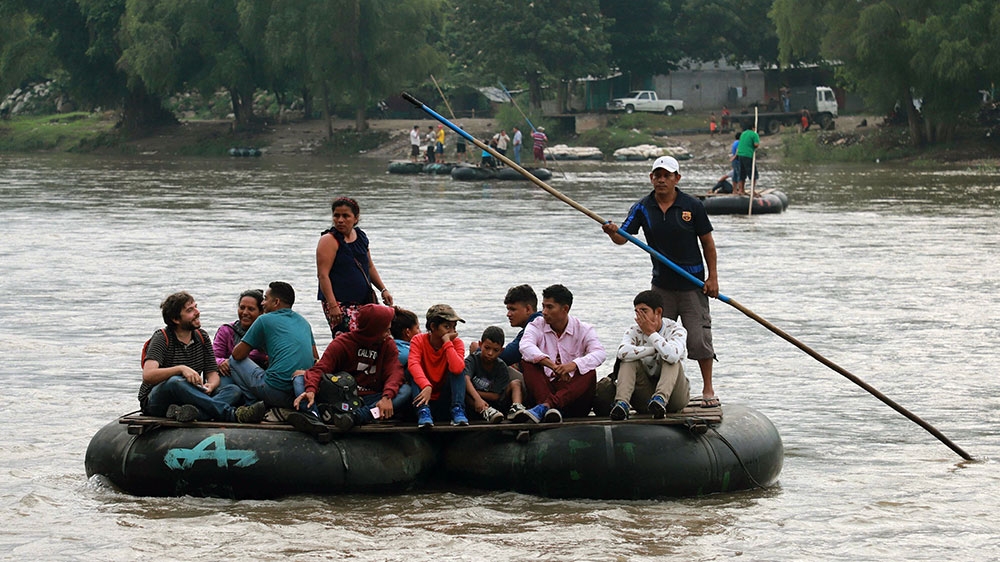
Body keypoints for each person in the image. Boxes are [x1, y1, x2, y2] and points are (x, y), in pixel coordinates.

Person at [602, 155, 720, 408]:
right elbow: (624, 237)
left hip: (693, 284)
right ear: (651, 178)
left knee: (697, 338)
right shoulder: (643, 207)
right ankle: (658, 390)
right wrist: (613, 233)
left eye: (667, 175)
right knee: (654, 335)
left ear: (677, 178)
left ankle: (708, 389)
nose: (662, 180)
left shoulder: (692, 206)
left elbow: (708, 243)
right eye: (657, 175)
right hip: (662, 286)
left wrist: (713, 278)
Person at [139, 291, 265, 424]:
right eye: (190, 310)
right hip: (157, 400)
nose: (197, 312)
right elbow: (148, 375)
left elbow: (212, 373)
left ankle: (191, 413)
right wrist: (180, 369)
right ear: (176, 319)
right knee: (175, 381)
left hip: (189, 398)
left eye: (195, 307)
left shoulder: (202, 336)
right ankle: (232, 415)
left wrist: (211, 385)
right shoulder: (162, 338)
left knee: (233, 390)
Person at [294, 304, 411, 432]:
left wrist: (387, 397)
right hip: (341, 396)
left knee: (404, 391)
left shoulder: (387, 345)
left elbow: (395, 372)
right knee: (299, 378)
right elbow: (321, 369)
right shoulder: (342, 343)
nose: (388, 334)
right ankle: (314, 417)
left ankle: (358, 416)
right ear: (373, 329)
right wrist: (311, 390)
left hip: (369, 399)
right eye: (385, 330)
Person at [515, 284, 606, 423]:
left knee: (589, 371)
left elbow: (599, 353)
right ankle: (547, 406)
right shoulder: (536, 324)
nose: (544, 312)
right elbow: (525, 346)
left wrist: (573, 365)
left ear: (565, 309)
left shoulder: (583, 329)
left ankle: (547, 406)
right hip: (544, 392)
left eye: (550, 307)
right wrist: (552, 365)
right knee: (528, 362)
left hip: (573, 399)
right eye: (543, 306)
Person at [229, 281, 319, 411]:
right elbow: (315, 357)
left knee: (233, 360)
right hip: (301, 391)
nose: (262, 303)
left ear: (276, 302)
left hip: (275, 392)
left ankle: (252, 405)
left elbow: (237, 355)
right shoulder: (304, 322)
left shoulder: (264, 319)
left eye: (265, 299)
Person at [606, 290, 690, 420]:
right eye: (637, 312)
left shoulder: (676, 329)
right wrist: (653, 349)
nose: (640, 316)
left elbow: (673, 355)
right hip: (645, 397)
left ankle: (660, 399)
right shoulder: (634, 330)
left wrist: (651, 334)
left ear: (658, 312)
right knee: (628, 360)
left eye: (644, 311)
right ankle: (622, 403)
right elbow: (621, 353)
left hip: (674, 395)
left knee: (670, 358)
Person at [316, 197, 393, 337]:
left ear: (355, 218)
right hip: (340, 302)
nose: (340, 220)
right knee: (349, 341)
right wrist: (333, 305)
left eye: (345, 216)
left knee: (373, 338)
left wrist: (383, 289)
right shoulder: (329, 240)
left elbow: (369, 266)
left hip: (364, 301)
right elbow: (323, 275)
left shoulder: (361, 237)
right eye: (336, 215)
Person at [408, 304, 468, 428]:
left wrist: (447, 342)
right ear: (433, 327)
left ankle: (458, 409)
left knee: (459, 368)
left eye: (454, 327)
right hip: (424, 395)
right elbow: (413, 364)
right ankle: (423, 411)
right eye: (447, 327)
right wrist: (426, 385)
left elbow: (457, 369)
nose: (452, 332)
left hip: (444, 396)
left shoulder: (456, 343)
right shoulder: (418, 340)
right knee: (413, 373)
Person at [463, 326, 524, 423]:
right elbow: (465, 379)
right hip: (474, 402)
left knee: (516, 383)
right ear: (480, 344)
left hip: (496, 404)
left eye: (495, 350)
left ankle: (516, 409)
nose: (490, 353)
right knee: (464, 392)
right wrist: (477, 398)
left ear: (501, 351)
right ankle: (485, 411)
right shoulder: (472, 360)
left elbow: (496, 396)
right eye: (487, 348)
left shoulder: (501, 367)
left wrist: (475, 393)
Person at [214, 289, 268, 376]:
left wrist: (233, 362)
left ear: (261, 312)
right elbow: (214, 357)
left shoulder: (267, 333)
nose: (245, 313)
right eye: (242, 308)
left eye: (251, 309)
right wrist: (222, 362)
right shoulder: (226, 330)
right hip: (229, 376)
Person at [734, 125, 760, 196]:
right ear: (753, 128)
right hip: (748, 155)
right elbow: (756, 144)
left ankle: (741, 190)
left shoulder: (743, 133)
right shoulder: (754, 134)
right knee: (753, 174)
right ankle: (752, 191)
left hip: (740, 155)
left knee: (742, 173)